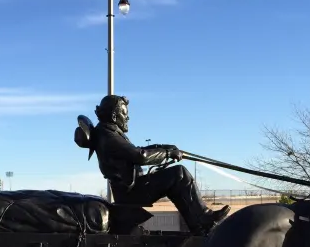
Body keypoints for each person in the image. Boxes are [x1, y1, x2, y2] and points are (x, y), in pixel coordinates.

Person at [89, 94, 230, 235]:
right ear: (114, 116)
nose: (127, 118)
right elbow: (140, 155)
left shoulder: (108, 133)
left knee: (175, 179)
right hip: (131, 192)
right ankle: (203, 219)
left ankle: (198, 224)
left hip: (132, 189)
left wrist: (165, 147)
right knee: (178, 174)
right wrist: (167, 153)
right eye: (124, 114)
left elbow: (136, 150)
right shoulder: (108, 136)